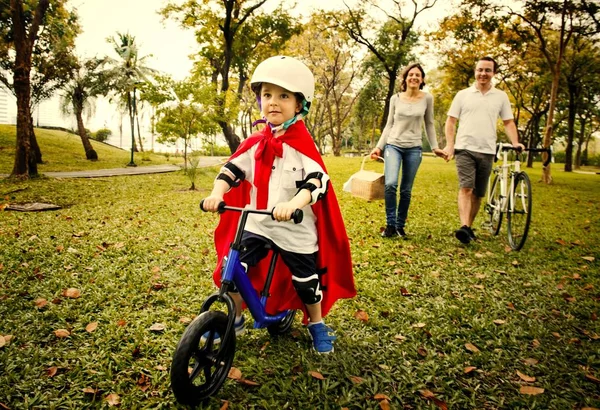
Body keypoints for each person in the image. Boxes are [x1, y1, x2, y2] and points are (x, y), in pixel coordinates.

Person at [202, 56, 356, 354]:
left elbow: (317, 182)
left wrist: (294, 203)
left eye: (283, 95)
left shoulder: (302, 145)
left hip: (294, 228)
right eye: (267, 95)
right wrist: (217, 193)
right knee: (233, 269)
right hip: (258, 222)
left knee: (307, 282)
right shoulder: (257, 141)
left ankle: (316, 322)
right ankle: (232, 318)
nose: (273, 102)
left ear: (299, 104)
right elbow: (232, 169)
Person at [442, 56, 525, 244]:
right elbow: (451, 121)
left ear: (493, 73)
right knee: (466, 187)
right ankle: (464, 226)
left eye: (488, 70)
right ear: (475, 71)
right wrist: (450, 144)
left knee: (479, 194)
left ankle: (468, 227)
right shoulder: (462, 95)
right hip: (465, 148)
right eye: (480, 70)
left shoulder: (501, 96)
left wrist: (515, 142)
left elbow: (508, 122)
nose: (483, 74)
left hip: (487, 150)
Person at [370, 63, 446, 238]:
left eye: (417, 75)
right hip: (393, 145)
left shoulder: (427, 98)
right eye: (411, 74)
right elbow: (389, 125)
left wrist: (435, 147)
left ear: (422, 79)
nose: (414, 77)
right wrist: (378, 147)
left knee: (405, 190)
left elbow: (429, 123)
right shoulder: (395, 98)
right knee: (390, 184)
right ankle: (390, 225)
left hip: (414, 148)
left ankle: (400, 225)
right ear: (405, 78)